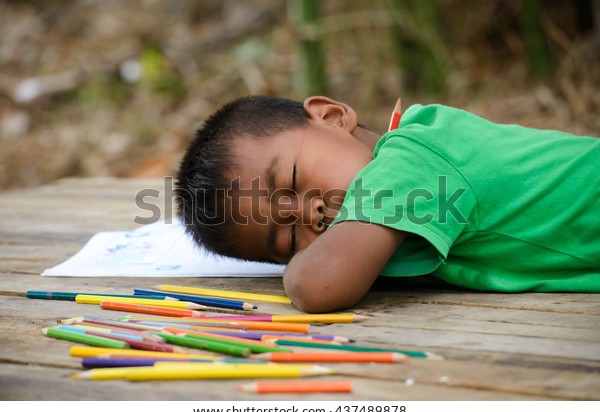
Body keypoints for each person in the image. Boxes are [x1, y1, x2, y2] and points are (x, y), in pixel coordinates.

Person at [175, 95, 600, 313]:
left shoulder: (412, 157)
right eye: (288, 237)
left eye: (292, 182)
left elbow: (317, 285)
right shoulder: (388, 227)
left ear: (332, 116)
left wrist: (299, 269)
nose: (312, 215)